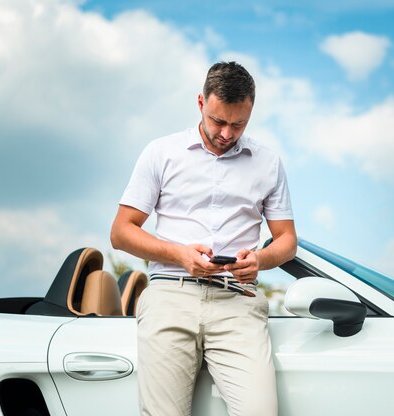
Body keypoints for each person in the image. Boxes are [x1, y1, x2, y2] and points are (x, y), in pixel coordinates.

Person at [110, 61, 297, 416]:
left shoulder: (268, 163)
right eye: (218, 121)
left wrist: (261, 259)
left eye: (238, 124)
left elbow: (287, 239)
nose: (227, 133)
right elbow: (121, 232)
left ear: (251, 112)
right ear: (200, 103)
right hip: (170, 295)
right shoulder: (160, 152)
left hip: (238, 304)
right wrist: (179, 254)